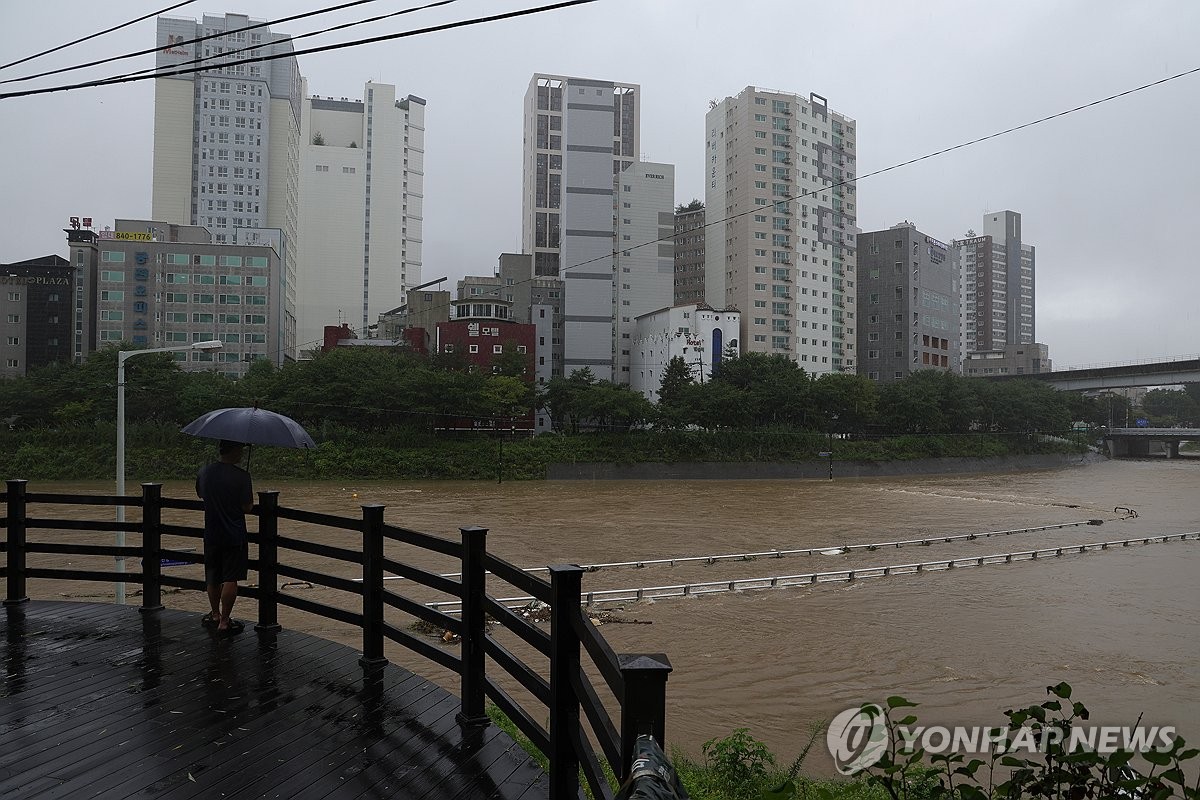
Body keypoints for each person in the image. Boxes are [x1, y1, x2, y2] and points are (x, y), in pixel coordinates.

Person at [196, 440, 254, 636]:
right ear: (235, 450)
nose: (242, 453)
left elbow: (201, 494)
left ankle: (214, 614)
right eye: (240, 449)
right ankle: (224, 621)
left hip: (211, 532)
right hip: (234, 534)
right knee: (231, 577)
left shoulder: (205, 472)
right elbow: (247, 507)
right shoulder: (242, 476)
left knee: (213, 576)